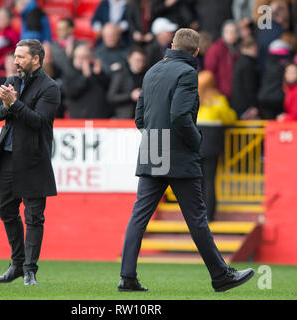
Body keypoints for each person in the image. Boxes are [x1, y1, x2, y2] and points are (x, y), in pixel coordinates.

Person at [118, 28, 255, 293]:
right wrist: (196, 142)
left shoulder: (152, 71)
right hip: (179, 152)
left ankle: (127, 277)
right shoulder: (188, 73)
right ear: (196, 51)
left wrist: (155, 139)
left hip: (152, 146)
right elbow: (181, 115)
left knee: (139, 215)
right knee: (196, 218)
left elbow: (139, 119)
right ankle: (220, 275)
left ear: (172, 45)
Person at [0, 39, 61, 286]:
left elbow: (39, 121)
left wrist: (14, 104)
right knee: (6, 210)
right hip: (8, 157)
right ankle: (17, 265)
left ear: (36, 59)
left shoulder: (50, 87)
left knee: (34, 217)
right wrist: (10, 105)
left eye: (21, 57)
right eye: (15, 56)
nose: (16, 61)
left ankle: (30, 270)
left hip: (33, 159)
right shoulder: (11, 81)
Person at [197, 70, 237, 221]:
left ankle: (196, 215)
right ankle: (209, 215)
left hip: (194, 144)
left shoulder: (192, 98)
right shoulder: (218, 100)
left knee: (196, 181)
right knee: (209, 179)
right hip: (212, 145)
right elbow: (230, 118)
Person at [62, 44, 111, 118]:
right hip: (78, 120)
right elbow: (70, 93)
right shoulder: (69, 73)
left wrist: (100, 74)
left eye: (84, 57)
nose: (80, 60)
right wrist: (84, 77)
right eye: (78, 57)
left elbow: (109, 88)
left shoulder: (97, 72)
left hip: (99, 120)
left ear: (91, 58)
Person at [258, 37, 295, 119]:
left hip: (264, 97)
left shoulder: (267, 60)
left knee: (269, 126)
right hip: (279, 98)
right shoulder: (288, 60)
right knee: (281, 127)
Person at [204, 20, 240, 101]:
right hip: (220, 93)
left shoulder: (236, 49)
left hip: (233, 93)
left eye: (235, 32)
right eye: (229, 32)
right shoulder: (215, 49)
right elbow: (209, 72)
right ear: (223, 33)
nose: (233, 35)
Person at [107, 46, 146, 118]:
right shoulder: (121, 75)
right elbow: (111, 97)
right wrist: (130, 96)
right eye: (137, 60)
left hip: (142, 118)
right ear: (129, 59)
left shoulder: (147, 75)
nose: (140, 63)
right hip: (125, 118)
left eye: (142, 60)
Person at [231, 37, 260, 119]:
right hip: (247, 108)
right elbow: (250, 87)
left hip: (238, 105)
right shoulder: (248, 64)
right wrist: (254, 106)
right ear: (253, 48)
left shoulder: (240, 61)